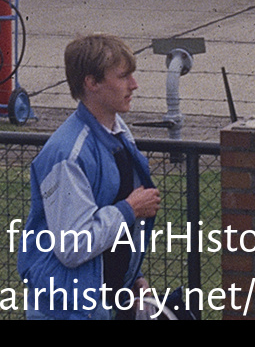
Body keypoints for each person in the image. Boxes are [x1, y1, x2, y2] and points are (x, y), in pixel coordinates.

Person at [18, 34, 159, 319]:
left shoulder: (118, 135)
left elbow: (110, 215)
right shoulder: (68, 155)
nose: (134, 85)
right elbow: (72, 246)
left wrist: (131, 278)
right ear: (91, 83)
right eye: (123, 77)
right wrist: (129, 210)